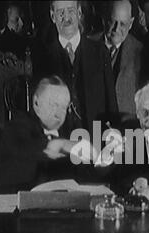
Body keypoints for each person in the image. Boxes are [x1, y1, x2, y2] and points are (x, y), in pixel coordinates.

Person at [0, 76, 98, 194]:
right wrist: (59, 144)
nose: (59, 114)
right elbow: (28, 150)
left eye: (64, 107)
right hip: (5, 201)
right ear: (36, 103)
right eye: (54, 105)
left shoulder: (70, 132)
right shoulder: (18, 126)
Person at [33, 0, 118, 134]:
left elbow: (111, 104)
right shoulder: (43, 57)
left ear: (79, 13)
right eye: (60, 12)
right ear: (52, 16)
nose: (66, 17)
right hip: (61, 141)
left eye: (70, 11)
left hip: (94, 140)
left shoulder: (100, 52)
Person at [91, 0, 143, 115]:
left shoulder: (140, 52)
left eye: (123, 24)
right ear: (104, 19)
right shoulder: (87, 45)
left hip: (126, 126)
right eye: (112, 21)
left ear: (131, 23)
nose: (116, 29)